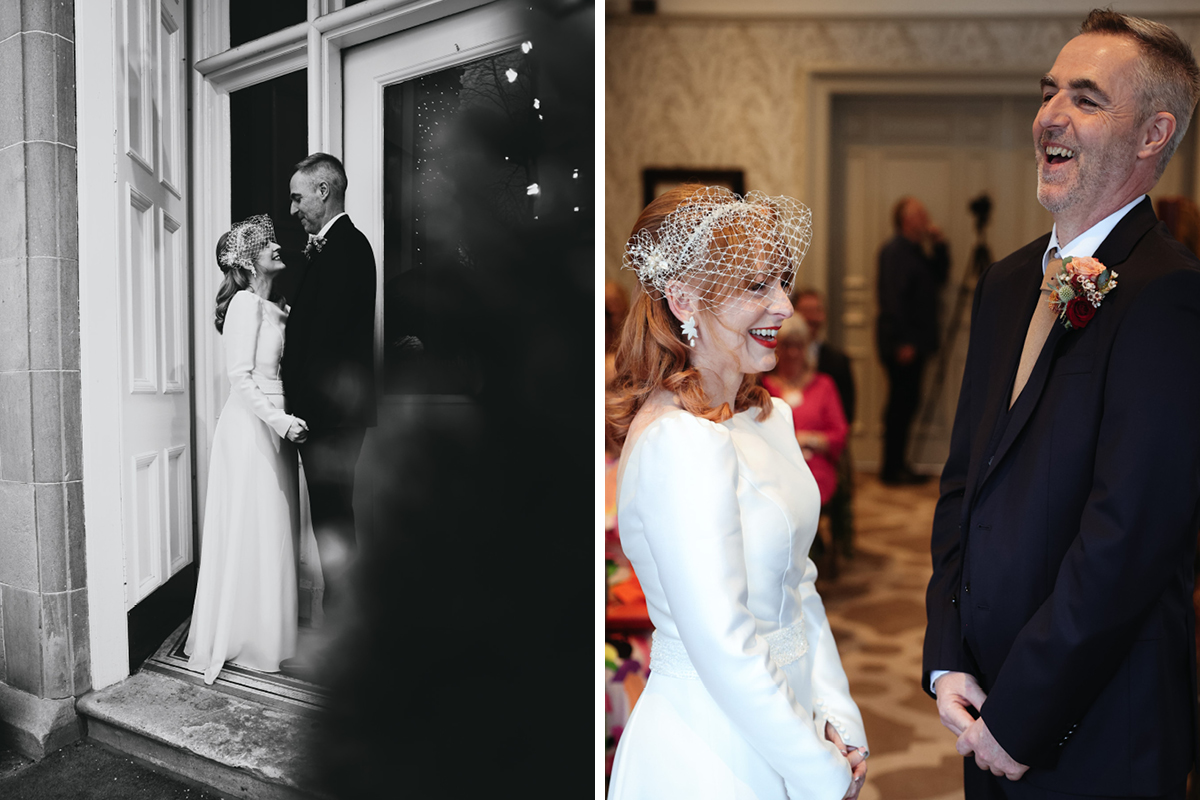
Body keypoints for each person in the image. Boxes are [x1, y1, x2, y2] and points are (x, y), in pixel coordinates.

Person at [923, 10, 1200, 799]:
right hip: (980, 708)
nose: (1048, 114)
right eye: (1049, 92)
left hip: (1095, 725)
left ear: (1153, 134)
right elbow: (962, 489)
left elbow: (1128, 543)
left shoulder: (1171, 296)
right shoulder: (1008, 282)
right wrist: (948, 658)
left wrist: (1025, 715)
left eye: (1085, 97)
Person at [606, 185, 868, 800]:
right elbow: (723, 645)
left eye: (782, 281)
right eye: (756, 286)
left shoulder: (765, 416)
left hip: (793, 719)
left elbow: (797, 583)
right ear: (685, 298)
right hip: (715, 747)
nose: (783, 305)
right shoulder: (677, 442)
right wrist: (818, 770)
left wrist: (838, 717)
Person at [185, 215, 310, 685]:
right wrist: (281, 421)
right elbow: (241, 377)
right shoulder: (242, 304)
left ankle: (271, 636)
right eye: (267, 243)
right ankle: (248, 638)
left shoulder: (275, 305)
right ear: (248, 259)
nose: (278, 245)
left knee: (275, 529)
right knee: (253, 526)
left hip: (277, 430)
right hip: (252, 430)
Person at [279, 153, 377, 634]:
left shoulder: (347, 247)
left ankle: (345, 626)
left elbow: (327, 343)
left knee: (334, 522)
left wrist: (299, 411)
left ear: (324, 190)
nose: (293, 207)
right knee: (332, 519)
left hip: (330, 416)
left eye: (298, 196)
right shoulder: (334, 248)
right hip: (329, 414)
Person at [875, 197, 949, 485]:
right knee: (900, 404)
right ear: (906, 220)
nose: (926, 217)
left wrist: (940, 244)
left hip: (917, 341)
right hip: (901, 342)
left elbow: (939, 278)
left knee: (907, 402)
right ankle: (891, 469)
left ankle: (898, 465)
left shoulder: (918, 251)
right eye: (920, 213)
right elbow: (892, 299)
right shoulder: (894, 252)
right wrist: (902, 341)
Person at [762, 315, 849, 508]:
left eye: (798, 346)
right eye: (786, 346)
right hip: (775, 466)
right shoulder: (763, 388)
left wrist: (808, 439)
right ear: (776, 348)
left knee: (804, 495)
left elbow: (839, 434)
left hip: (814, 467)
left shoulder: (824, 385)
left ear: (806, 349)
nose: (792, 353)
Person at [792, 288, 855, 426]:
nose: (812, 318)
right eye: (806, 311)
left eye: (817, 311)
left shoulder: (838, 361)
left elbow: (846, 415)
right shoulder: (776, 358)